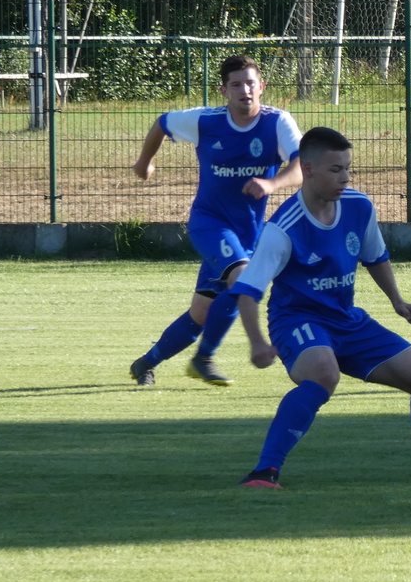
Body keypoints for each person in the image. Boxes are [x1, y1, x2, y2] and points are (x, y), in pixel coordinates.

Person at [230, 127, 411, 487]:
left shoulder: (358, 206)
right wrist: (257, 343)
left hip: (347, 320)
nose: (345, 178)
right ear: (308, 170)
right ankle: (264, 472)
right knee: (323, 374)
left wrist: (397, 300)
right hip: (296, 321)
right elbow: (248, 290)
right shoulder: (283, 228)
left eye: (348, 168)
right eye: (335, 170)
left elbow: (375, 257)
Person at [128, 56, 302, 388]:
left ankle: (145, 363)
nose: (245, 90)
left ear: (261, 87)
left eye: (250, 83)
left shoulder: (277, 122)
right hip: (208, 223)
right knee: (243, 279)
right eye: (236, 85)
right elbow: (162, 123)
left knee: (202, 312)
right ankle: (207, 358)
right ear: (224, 91)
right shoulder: (206, 121)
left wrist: (272, 183)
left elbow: (301, 166)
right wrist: (143, 162)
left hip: (247, 233)